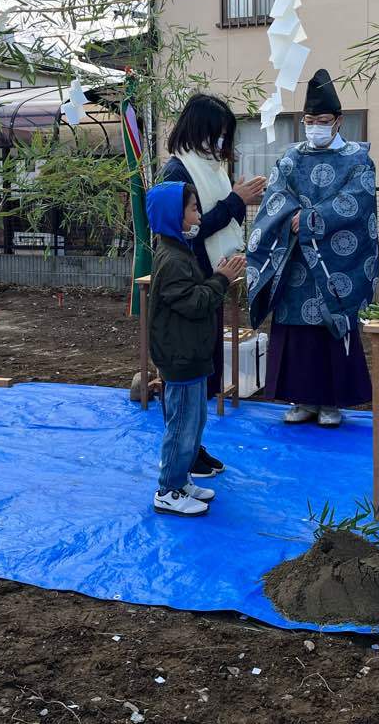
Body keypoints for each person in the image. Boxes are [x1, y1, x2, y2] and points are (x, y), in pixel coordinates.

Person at [246, 69, 379, 427]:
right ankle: (301, 399)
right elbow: (276, 197)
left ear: (338, 121)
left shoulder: (358, 159)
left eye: (322, 120)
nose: (315, 126)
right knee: (297, 332)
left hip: (338, 260)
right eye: (309, 120)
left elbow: (357, 201)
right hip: (296, 262)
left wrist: (309, 219)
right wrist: (292, 217)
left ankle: (332, 402)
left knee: (331, 327)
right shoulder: (291, 158)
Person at [158, 93, 265, 478]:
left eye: (224, 137)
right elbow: (193, 229)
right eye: (217, 135)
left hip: (210, 279)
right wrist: (236, 200)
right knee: (188, 374)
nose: (221, 144)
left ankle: (192, 448)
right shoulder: (177, 172)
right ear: (199, 130)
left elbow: (207, 219)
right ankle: (179, 461)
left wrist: (236, 197)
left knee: (204, 368)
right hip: (194, 282)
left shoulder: (208, 166)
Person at [146, 180, 246, 516]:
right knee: (181, 425)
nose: (199, 215)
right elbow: (193, 303)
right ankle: (168, 489)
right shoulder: (172, 259)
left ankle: (182, 478)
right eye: (192, 209)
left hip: (193, 354)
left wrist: (216, 278)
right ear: (174, 216)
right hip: (180, 357)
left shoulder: (180, 252)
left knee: (196, 421)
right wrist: (221, 279)